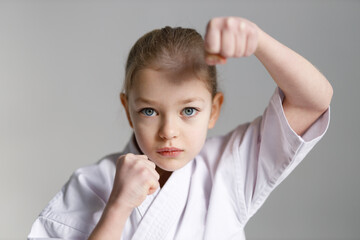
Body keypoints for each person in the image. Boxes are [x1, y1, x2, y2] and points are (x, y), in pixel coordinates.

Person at [28, 16, 332, 240]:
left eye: (188, 110)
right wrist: (117, 207)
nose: (168, 131)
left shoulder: (229, 167)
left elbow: (312, 102)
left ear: (213, 110)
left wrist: (259, 41)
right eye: (149, 111)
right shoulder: (89, 185)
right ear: (127, 110)